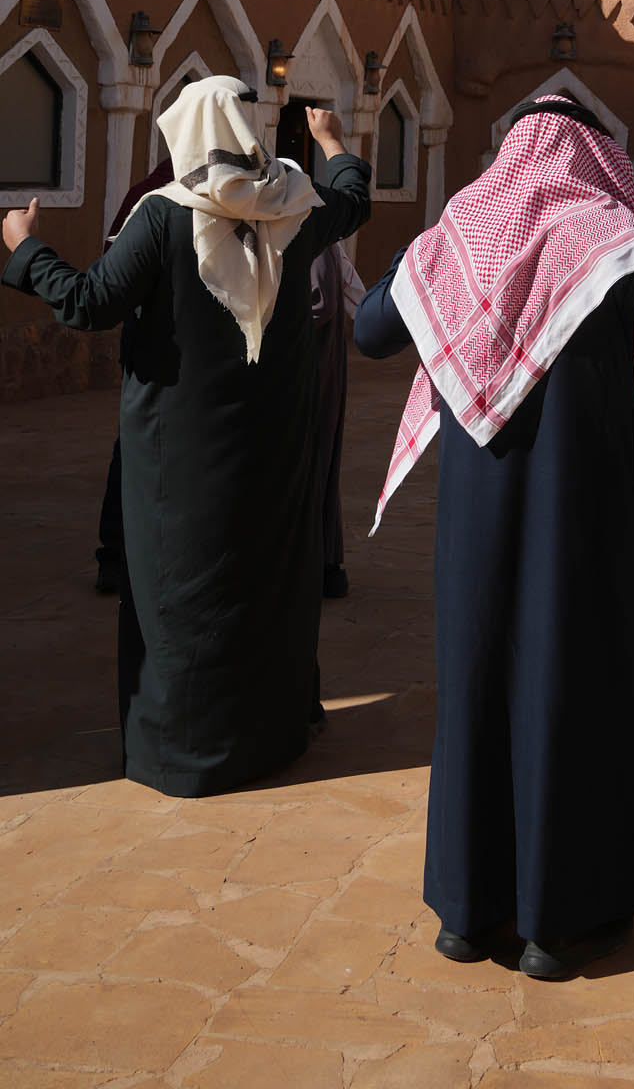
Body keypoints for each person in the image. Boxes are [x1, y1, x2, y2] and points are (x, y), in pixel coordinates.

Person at [354, 94, 634, 980]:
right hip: (578, 523)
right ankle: (558, 924)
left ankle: (466, 912)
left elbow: (373, 328)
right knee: (573, 688)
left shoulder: (455, 234)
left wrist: (434, 260)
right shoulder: (599, 234)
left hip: (475, 525)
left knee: (478, 685)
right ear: (590, 156)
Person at [1, 77, 371, 797]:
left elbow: (87, 303)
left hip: (184, 448)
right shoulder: (296, 199)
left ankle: (190, 751)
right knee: (270, 573)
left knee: (185, 585)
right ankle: (275, 726)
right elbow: (352, 195)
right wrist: (332, 145)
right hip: (278, 439)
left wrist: (23, 245)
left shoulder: (163, 218)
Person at [93, 156, 173, 595]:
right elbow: (109, 277)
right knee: (138, 444)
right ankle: (116, 554)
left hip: (190, 353)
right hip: (151, 344)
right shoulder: (154, 196)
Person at [311, 241, 365, 599]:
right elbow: (356, 297)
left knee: (312, 468)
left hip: (308, 374)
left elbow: (321, 305)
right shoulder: (324, 237)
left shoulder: (307, 232)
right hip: (318, 371)